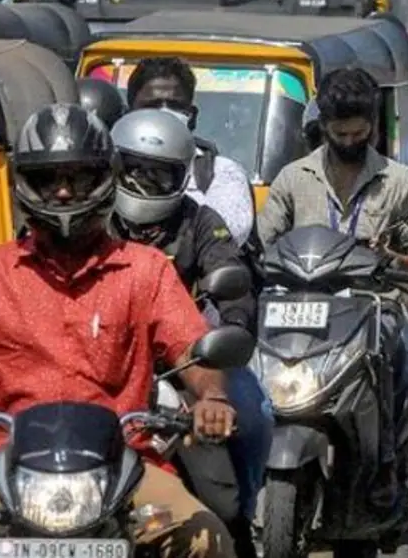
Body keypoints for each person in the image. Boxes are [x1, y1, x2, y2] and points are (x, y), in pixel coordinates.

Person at [0, 104, 236, 558]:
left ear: (104, 179)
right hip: (4, 469)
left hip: (126, 466)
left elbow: (195, 350)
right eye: (48, 179)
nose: (65, 192)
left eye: (79, 177)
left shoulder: (144, 271)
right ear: (24, 183)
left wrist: (212, 398)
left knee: (208, 539)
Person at [254, 67, 408, 529]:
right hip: (302, 313)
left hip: (376, 309)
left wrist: (391, 257)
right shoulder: (292, 179)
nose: (349, 141)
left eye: (358, 133)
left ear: (372, 129)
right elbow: (263, 249)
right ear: (323, 127)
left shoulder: (398, 181)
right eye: (340, 133)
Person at [107, 109, 273, 550]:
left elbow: (232, 281)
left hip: (187, 362)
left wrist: (231, 334)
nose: (143, 184)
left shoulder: (201, 221)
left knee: (251, 420)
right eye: (134, 171)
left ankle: (247, 525)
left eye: (158, 175)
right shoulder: (93, 221)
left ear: (183, 177)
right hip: (102, 361)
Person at [127, 57, 255, 247]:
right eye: (151, 106)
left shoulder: (222, 174)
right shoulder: (110, 170)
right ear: (128, 114)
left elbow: (225, 236)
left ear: (192, 117)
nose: (163, 114)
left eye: (174, 106)